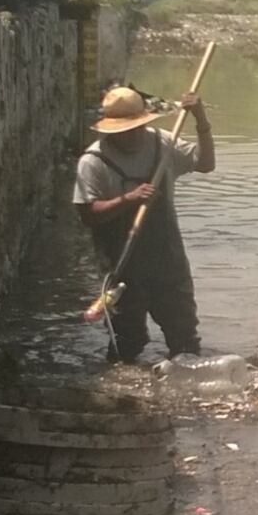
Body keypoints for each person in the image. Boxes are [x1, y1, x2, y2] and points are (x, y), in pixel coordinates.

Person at [73, 85, 216, 363]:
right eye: (125, 130)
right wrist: (129, 199)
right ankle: (125, 394)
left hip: (167, 258)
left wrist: (201, 120)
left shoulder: (161, 143)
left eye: (137, 127)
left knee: (184, 336)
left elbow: (206, 163)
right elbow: (88, 214)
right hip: (122, 262)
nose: (134, 134)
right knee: (128, 341)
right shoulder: (93, 161)